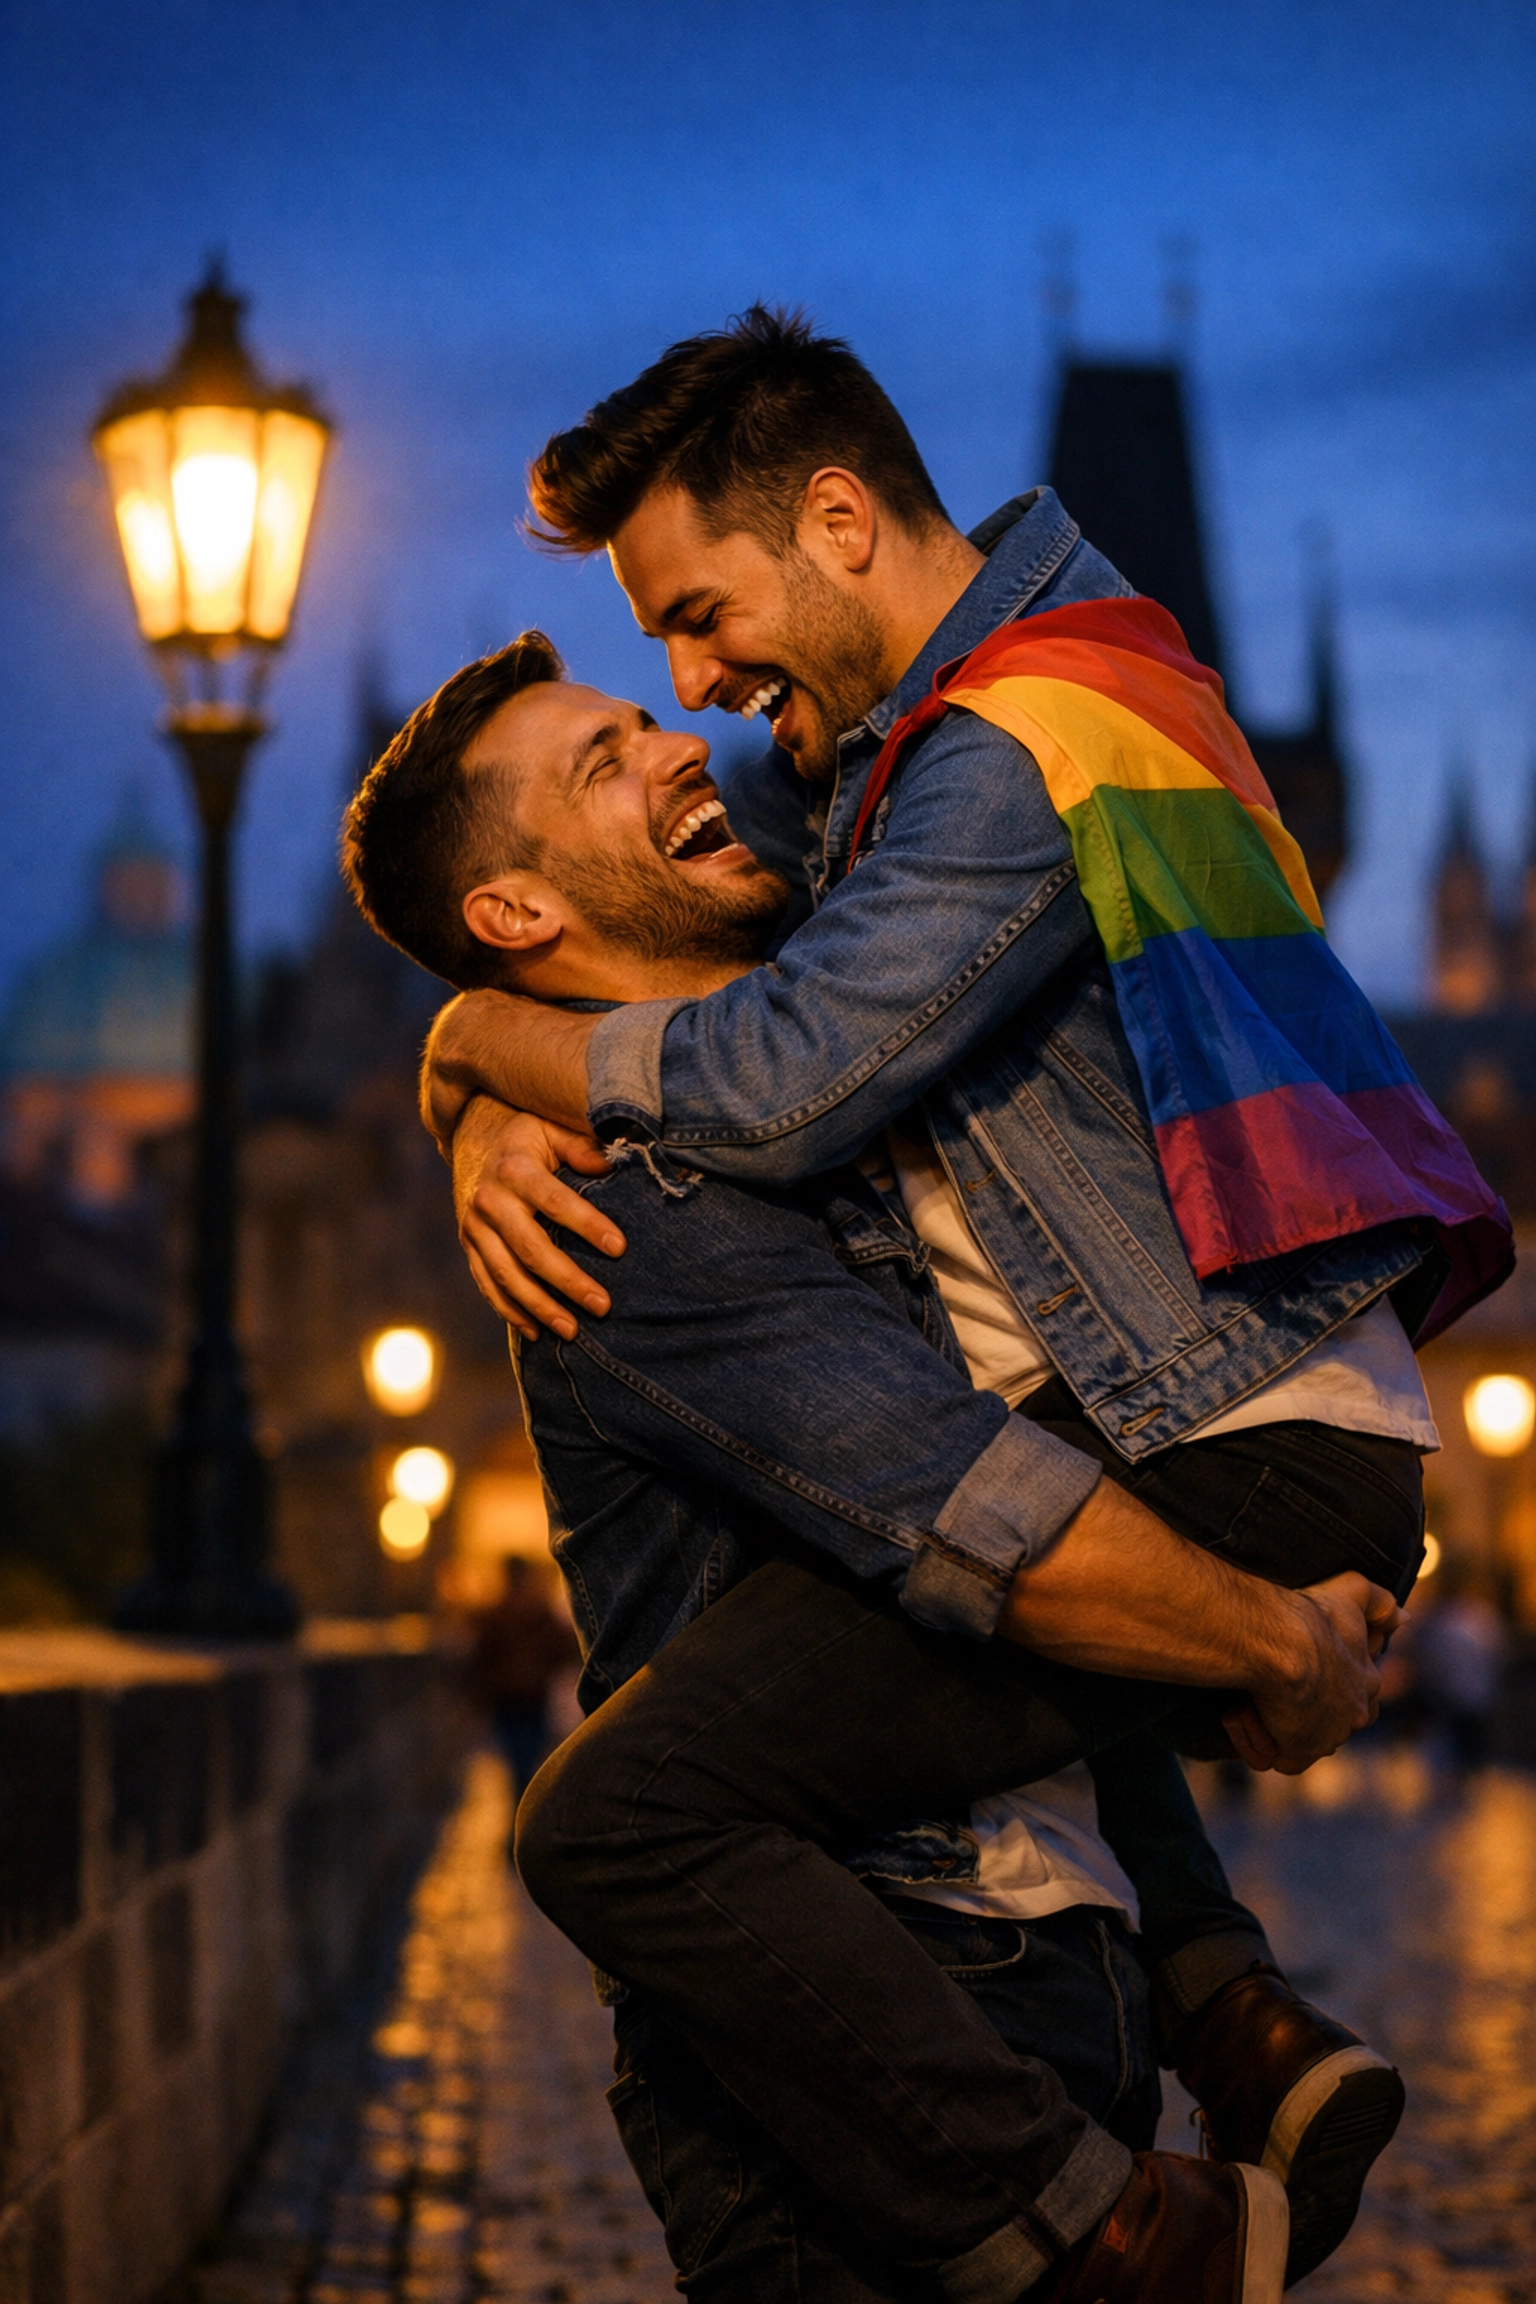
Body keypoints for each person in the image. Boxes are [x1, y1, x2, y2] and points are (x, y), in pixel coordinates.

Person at [411, 314, 1510, 2285]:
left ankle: (1125, 2228)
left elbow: (786, 1069)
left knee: (634, 1805)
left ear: (838, 520)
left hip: (1217, 1426)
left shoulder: (1007, 748)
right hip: (1223, 1422)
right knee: (984, 1579)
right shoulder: (961, 741)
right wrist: (473, 1088)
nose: (694, 695)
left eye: (695, 616)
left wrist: (495, 1039)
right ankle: (1229, 2013)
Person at [465, 1553, 580, 1819]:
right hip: (534, 1695)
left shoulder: (497, 1611)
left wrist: (479, 1690)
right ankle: (527, 1811)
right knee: (532, 1752)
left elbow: (482, 1656)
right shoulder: (540, 1609)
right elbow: (562, 1646)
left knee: (514, 1754)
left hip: (506, 1697)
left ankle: (520, 1810)